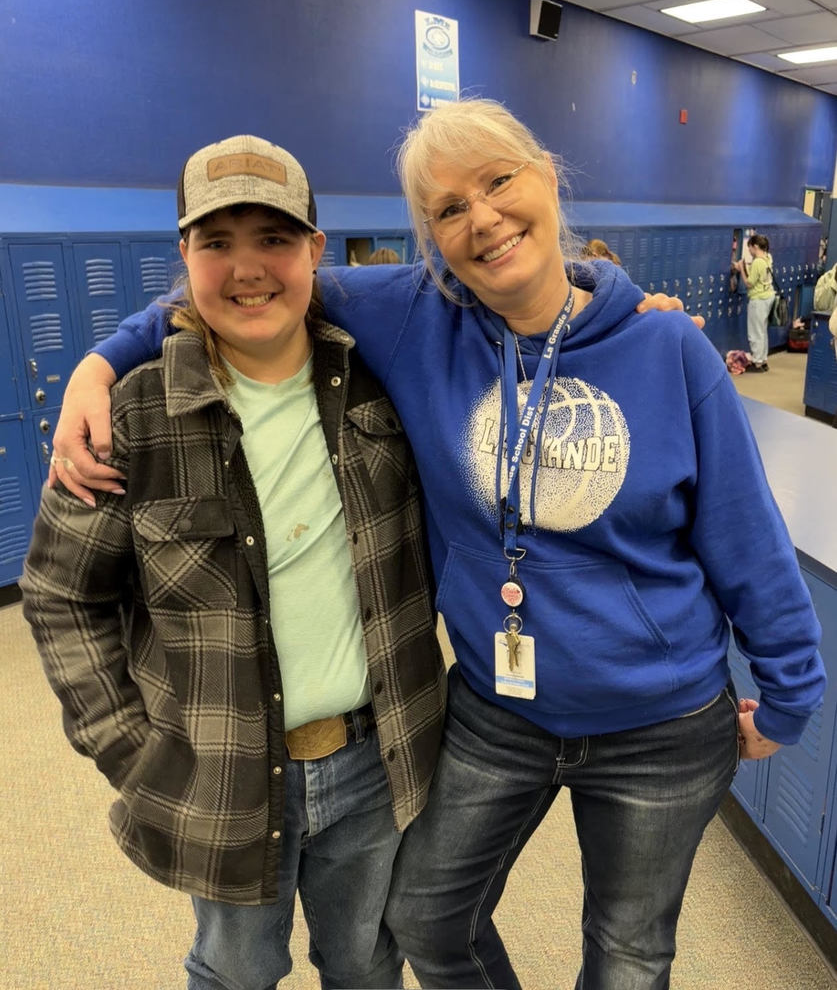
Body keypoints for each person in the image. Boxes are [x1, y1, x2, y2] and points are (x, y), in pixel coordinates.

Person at [47, 101, 825, 990]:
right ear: (429, 239)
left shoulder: (663, 346)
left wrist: (789, 689)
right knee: (423, 917)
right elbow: (242, 285)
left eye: (498, 182)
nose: (482, 218)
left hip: (663, 722)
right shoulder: (416, 319)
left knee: (629, 950)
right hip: (499, 709)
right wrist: (101, 361)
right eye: (448, 209)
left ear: (547, 176)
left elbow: (744, 534)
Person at [20, 135, 447, 990]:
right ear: (183, 255)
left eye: (274, 239)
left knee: (365, 962)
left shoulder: (381, 384)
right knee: (236, 970)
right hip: (222, 771)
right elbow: (60, 596)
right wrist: (130, 749)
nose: (247, 268)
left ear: (317, 254)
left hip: (375, 759)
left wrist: (632, 311)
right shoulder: (131, 421)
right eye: (217, 242)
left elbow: (519, 300)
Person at [734, 232, 774, 372]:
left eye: (750, 248)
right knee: (762, 331)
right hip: (768, 296)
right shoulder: (768, 257)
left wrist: (741, 269)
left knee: (754, 332)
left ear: (755, 246)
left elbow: (749, 283)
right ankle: (763, 360)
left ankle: (756, 363)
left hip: (758, 299)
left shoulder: (757, 262)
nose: (749, 251)